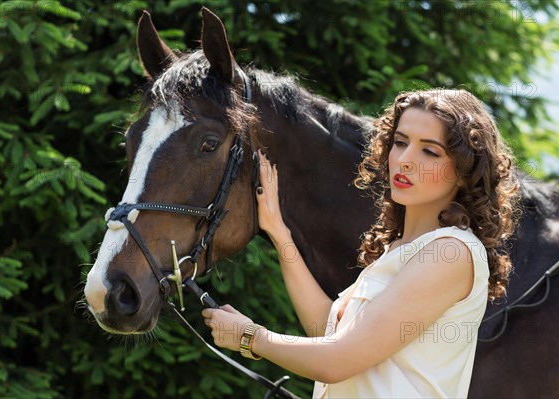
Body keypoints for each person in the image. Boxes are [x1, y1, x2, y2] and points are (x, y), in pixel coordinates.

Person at [202, 89, 519, 398]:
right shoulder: (398, 250)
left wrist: (249, 337)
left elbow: (336, 360)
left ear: (465, 172)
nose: (405, 160)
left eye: (430, 151)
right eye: (400, 142)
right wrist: (279, 233)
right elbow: (325, 330)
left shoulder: (450, 252)